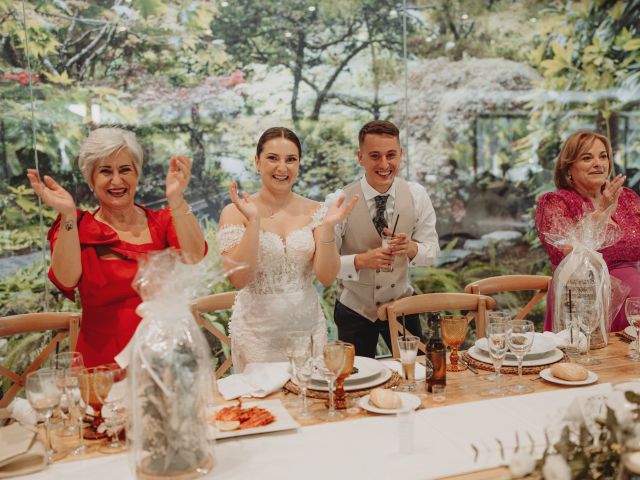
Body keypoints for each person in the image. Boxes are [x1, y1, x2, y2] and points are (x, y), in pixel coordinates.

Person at [27, 127, 207, 367]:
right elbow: (66, 279)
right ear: (91, 179)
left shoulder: (162, 222)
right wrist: (68, 214)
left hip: (161, 358)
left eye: (125, 170)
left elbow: (194, 255)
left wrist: (176, 198)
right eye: (105, 171)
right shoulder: (77, 227)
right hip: (101, 365)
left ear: (137, 174)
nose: (117, 180)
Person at [216, 127, 357, 372]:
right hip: (257, 337)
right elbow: (239, 279)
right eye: (273, 158)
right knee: (263, 408)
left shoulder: (317, 210)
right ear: (257, 161)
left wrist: (327, 229)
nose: (282, 168)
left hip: (308, 330)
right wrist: (254, 222)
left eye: (290, 160)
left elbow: (326, 276)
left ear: (299, 164)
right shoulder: (235, 211)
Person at [328, 120, 440, 358]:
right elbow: (324, 265)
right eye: (375, 156)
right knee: (356, 382)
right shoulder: (339, 201)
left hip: (403, 307)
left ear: (400, 154)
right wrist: (359, 261)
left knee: (417, 375)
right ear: (360, 157)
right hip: (354, 310)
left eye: (391, 155)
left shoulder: (417, 195)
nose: (384, 164)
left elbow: (431, 252)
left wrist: (411, 248)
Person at [535, 130, 640, 332]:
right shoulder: (555, 202)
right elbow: (567, 255)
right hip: (581, 303)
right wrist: (602, 211)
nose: (598, 163)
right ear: (568, 170)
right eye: (587, 157)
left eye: (603, 156)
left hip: (633, 311)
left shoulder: (627, 198)